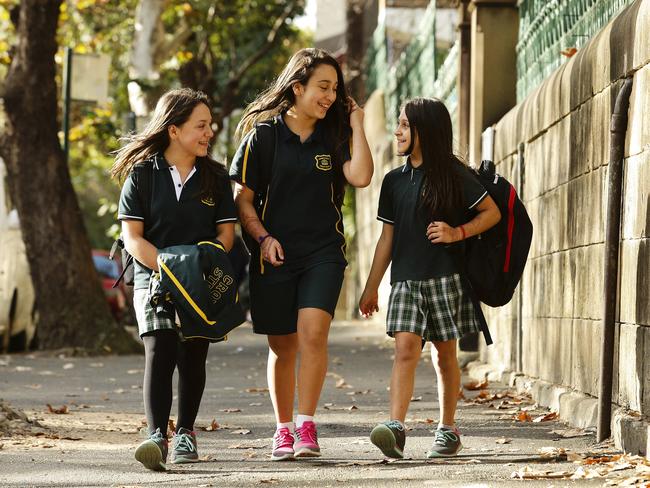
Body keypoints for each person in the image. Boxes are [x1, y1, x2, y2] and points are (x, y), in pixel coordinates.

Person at [229, 48, 373, 460]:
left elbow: (361, 176)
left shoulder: (335, 135)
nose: (330, 96)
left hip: (323, 252)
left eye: (335, 89)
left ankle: (307, 425)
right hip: (273, 253)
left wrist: (357, 124)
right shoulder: (264, 137)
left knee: (313, 332)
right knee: (282, 345)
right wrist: (262, 238)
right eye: (322, 87)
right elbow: (244, 203)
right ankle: (283, 428)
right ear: (297, 88)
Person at [359, 97, 501, 459]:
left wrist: (458, 232)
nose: (397, 131)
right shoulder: (393, 181)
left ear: (426, 130)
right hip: (405, 282)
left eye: (405, 125)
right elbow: (387, 238)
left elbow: (491, 213)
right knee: (405, 349)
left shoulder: (454, 176)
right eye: (398, 124)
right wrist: (372, 286)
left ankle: (448, 428)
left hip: (445, 279)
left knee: (444, 355)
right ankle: (395, 427)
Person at [111, 88, 238, 470]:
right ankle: (155, 436)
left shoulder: (216, 177)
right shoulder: (143, 175)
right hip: (151, 273)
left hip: (200, 275)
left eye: (209, 126)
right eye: (200, 126)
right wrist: (166, 268)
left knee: (193, 351)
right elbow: (133, 237)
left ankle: (185, 432)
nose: (208, 133)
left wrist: (194, 267)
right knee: (161, 346)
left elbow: (226, 237)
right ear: (173, 130)